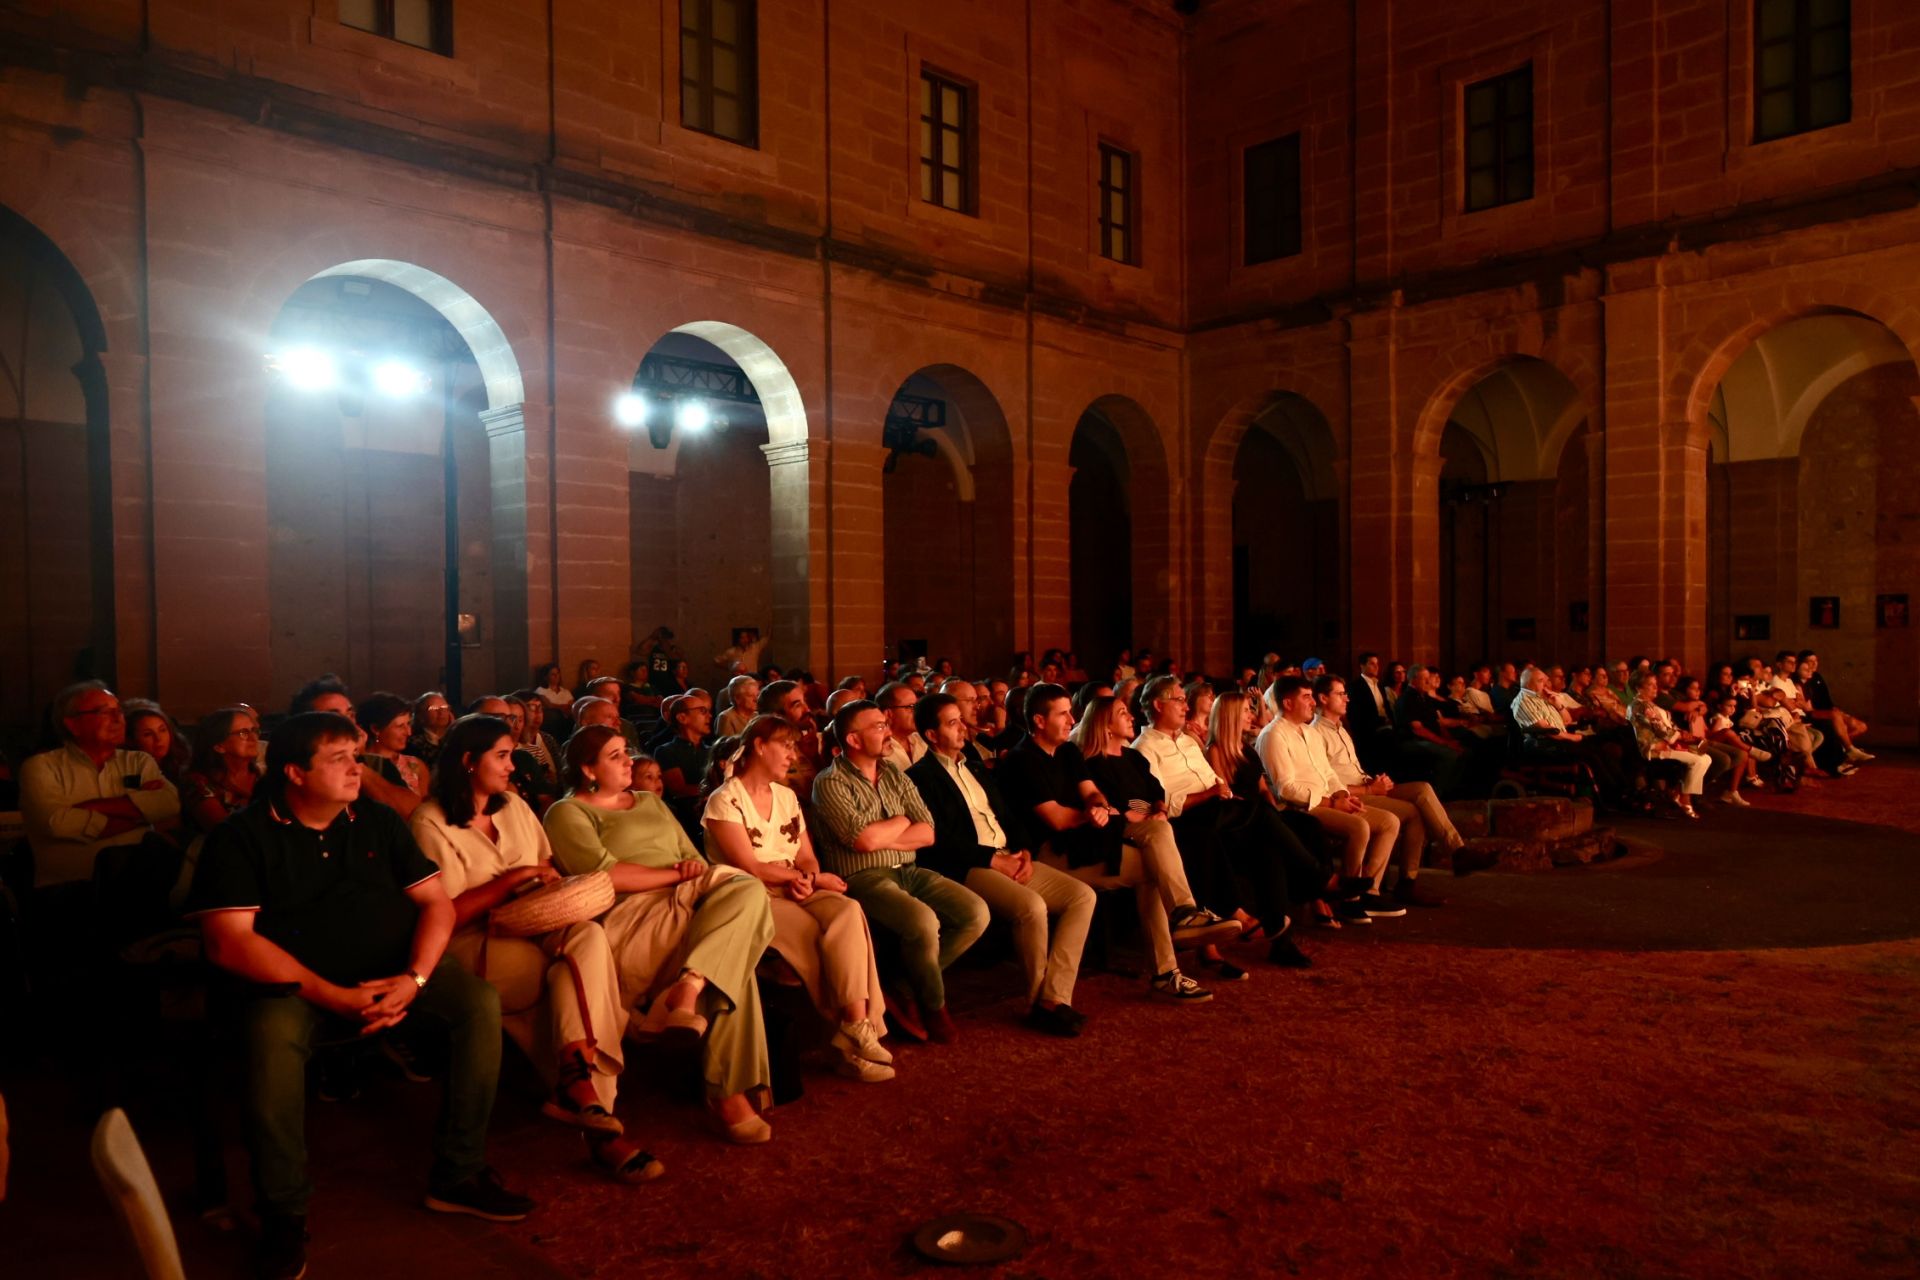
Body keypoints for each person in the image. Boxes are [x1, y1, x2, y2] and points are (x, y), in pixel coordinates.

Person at [186, 712, 533, 1280]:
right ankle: (283, 1211)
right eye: (340, 758)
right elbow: (229, 944)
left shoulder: (374, 821)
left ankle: (459, 1172)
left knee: (476, 1004)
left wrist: (415, 979)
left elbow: (436, 904)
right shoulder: (241, 836)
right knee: (271, 1037)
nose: (357, 767)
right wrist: (333, 996)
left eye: (356, 754)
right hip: (295, 984)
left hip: (393, 970)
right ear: (296, 773)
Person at [409, 716, 642, 1174]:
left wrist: (547, 882)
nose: (512, 766)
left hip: (534, 922)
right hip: (472, 940)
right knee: (568, 982)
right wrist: (511, 881)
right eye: (501, 755)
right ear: (468, 761)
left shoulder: (513, 807)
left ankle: (579, 1090)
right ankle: (597, 1118)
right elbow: (446, 913)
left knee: (591, 937)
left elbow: (545, 864)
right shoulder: (430, 822)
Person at [544, 726, 778, 1143]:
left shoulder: (651, 801)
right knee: (736, 931)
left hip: (689, 899)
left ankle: (688, 988)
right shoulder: (569, 812)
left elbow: (694, 857)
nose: (628, 761)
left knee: (735, 917)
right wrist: (673, 875)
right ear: (587, 768)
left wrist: (686, 873)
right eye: (614, 756)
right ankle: (727, 1092)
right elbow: (605, 875)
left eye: (626, 753)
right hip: (630, 919)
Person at [998, 685, 1238, 1003]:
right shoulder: (1022, 760)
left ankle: (1182, 918)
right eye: (1063, 713)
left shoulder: (1068, 752)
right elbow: (1056, 819)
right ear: (1040, 721)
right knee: (1156, 861)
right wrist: (1095, 814)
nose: (1072, 719)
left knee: (1158, 839)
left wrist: (1097, 804)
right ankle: (1171, 957)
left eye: (1071, 711)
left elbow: (1090, 790)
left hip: (1085, 842)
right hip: (1048, 854)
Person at [703, 716, 893, 1083]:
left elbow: (806, 856)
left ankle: (855, 1026)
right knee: (816, 937)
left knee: (849, 911)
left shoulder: (787, 796)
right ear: (759, 746)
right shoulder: (725, 800)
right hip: (751, 898)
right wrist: (809, 878)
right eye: (786, 746)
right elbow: (750, 867)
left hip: (795, 884)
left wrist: (806, 878)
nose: (793, 755)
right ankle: (847, 1046)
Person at [906, 693, 1097, 1036]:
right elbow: (940, 839)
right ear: (931, 735)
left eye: (961, 720)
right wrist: (992, 859)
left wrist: (1023, 848)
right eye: (952, 723)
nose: (963, 728)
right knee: (1032, 907)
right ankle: (1040, 1003)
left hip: (1008, 852)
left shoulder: (975, 765)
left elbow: (1005, 812)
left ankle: (1053, 996)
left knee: (1081, 896)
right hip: (970, 864)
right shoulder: (920, 777)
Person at [809, 700, 989, 1043]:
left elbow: (929, 832)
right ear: (854, 740)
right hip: (862, 878)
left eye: (885, 724)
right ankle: (934, 1006)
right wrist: (903, 822)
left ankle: (902, 984)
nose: (887, 731)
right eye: (877, 727)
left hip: (908, 869)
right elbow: (862, 840)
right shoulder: (830, 782)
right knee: (923, 921)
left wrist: (888, 833)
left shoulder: (893, 773)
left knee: (975, 913)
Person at [1132, 677, 1314, 969]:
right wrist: (1212, 793)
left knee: (1269, 845)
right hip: (1190, 819)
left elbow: (1215, 780)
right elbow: (1163, 800)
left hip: (1218, 812)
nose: (1185, 705)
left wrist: (1222, 792)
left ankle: (1279, 938)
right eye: (1178, 700)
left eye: (1183, 699)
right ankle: (1311, 879)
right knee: (1266, 817)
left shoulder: (1189, 744)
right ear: (1157, 704)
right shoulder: (1144, 748)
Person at [1313, 675, 1482, 902]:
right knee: (1413, 813)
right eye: (1340, 694)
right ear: (1323, 698)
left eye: (1346, 693)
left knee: (1422, 789)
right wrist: (1370, 789)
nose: (1347, 699)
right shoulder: (1316, 733)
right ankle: (1383, 886)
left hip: (1366, 785)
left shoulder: (1340, 729)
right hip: (1352, 794)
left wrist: (1375, 780)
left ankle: (1455, 853)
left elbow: (1351, 769)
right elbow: (1327, 782)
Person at [1256, 676, 1403, 924]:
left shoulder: (1309, 733)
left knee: (1389, 822)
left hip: (1328, 800)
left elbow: (1328, 773)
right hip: (1302, 808)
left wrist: (1342, 794)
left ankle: (1367, 891)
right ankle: (1348, 900)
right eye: (1306, 697)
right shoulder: (1273, 735)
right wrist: (1332, 803)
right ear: (1288, 703)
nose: (1313, 703)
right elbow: (1287, 789)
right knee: (1359, 826)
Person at [20, 681, 182, 891]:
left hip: (139, 887)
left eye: (119, 711)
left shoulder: (138, 761)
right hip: (69, 891)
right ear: (73, 725)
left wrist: (93, 807)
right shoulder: (41, 767)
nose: (118, 719)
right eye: (104, 712)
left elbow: (169, 803)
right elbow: (56, 824)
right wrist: (140, 815)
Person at [1627, 675, 1711, 817]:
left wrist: (1682, 733)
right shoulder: (1639, 706)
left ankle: (1680, 793)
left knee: (1706, 758)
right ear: (1638, 688)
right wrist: (1681, 736)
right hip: (1654, 748)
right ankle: (1685, 798)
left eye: (1655, 684)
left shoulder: (1651, 705)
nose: (1655, 687)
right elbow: (1660, 729)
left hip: (1667, 743)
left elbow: (1668, 725)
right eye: (1650, 684)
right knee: (1699, 760)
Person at [182, 705, 263, 833]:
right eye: (243, 733)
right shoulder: (199, 783)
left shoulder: (261, 774)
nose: (254, 738)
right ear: (219, 745)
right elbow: (224, 832)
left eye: (254, 730)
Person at [357, 693, 430, 813]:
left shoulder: (415, 765)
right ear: (375, 729)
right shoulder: (360, 764)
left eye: (408, 724)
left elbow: (425, 809)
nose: (408, 732)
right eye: (400, 726)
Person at [1797, 651, 1872, 765]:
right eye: (1809, 662)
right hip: (1813, 714)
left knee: (1861, 726)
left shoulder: (1816, 677)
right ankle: (1849, 749)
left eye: (1815, 661)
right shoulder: (1798, 682)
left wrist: (1836, 710)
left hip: (1826, 710)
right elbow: (1805, 706)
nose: (1813, 664)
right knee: (1836, 717)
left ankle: (1843, 747)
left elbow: (1825, 699)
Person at [123, 698, 191, 786]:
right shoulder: (125, 772)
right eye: (148, 734)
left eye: (162, 730)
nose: (158, 739)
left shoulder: (181, 765)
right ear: (131, 740)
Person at [873, 680, 926, 773]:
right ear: (888, 714)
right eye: (910, 707)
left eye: (916, 706)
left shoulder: (922, 740)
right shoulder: (877, 749)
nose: (916, 712)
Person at [717, 674, 761, 739]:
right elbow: (728, 746)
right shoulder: (727, 717)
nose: (756, 699)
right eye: (751, 695)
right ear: (737, 698)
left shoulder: (757, 716)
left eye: (757, 695)